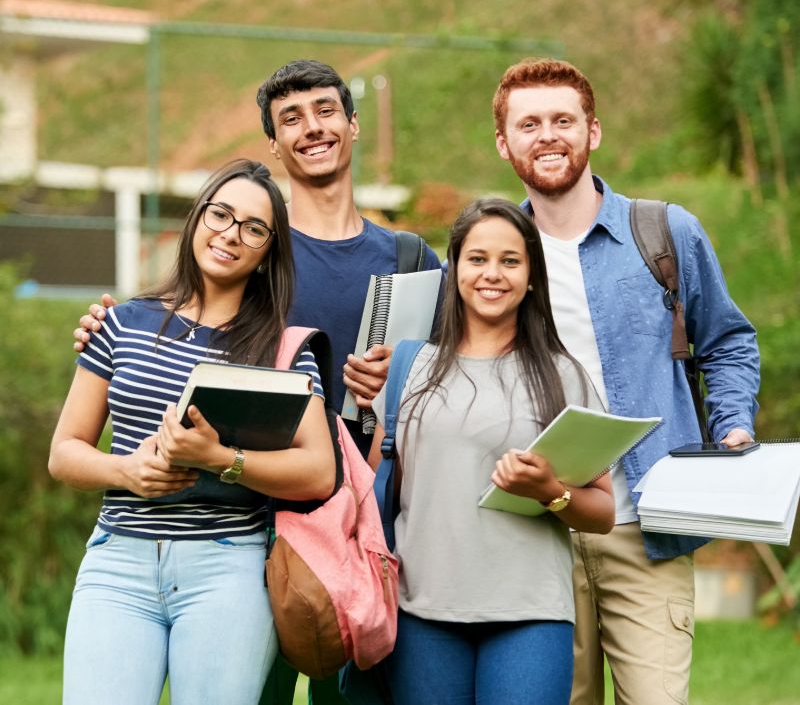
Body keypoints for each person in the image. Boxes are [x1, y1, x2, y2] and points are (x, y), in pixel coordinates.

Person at [71, 59, 442, 705]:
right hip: (245, 530)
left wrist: (402, 380)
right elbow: (173, 341)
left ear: (354, 124)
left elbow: (461, 378)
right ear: (273, 143)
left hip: (354, 525)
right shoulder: (248, 259)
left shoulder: (409, 260)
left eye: (326, 111)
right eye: (291, 119)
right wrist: (107, 331)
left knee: (350, 698)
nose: (312, 128)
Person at [491, 57, 760, 705]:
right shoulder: (491, 254)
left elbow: (726, 341)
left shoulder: (663, 233)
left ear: (594, 132)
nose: (548, 134)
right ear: (504, 143)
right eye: (529, 123)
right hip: (535, 537)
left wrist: (732, 424)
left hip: (648, 532)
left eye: (563, 119)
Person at [50, 159, 336, 705]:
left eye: (253, 228)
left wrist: (220, 457)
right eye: (220, 214)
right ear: (197, 219)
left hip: (227, 567)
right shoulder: (122, 322)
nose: (230, 234)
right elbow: (64, 453)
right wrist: (127, 471)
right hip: (118, 561)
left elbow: (319, 472)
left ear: (267, 253)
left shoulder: (282, 350)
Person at [369, 198, 615, 705]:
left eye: (510, 260)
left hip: (530, 616)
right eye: (477, 258)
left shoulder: (562, 375)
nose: (492, 274)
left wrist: (551, 491)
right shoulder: (409, 369)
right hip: (420, 614)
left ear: (531, 276)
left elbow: (603, 513)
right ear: (453, 268)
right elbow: (375, 489)